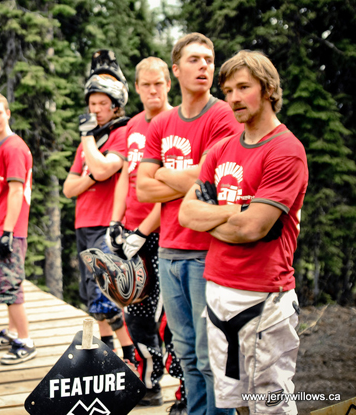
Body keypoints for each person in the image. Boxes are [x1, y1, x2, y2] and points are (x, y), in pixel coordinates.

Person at [179, 50, 307, 415]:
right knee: (236, 403)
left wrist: (222, 219)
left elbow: (254, 227)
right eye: (228, 90)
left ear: (267, 89)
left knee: (270, 402)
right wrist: (234, 215)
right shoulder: (220, 150)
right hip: (217, 290)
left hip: (264, 298)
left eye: (244, 87)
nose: (233, 98)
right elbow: (187, 213)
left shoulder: (286, 150)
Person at [136, 33, 242, 415]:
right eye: (195, 59)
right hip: (169, 251)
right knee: (185, 352)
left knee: (210, 354)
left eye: (210, 60)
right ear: (176, 70)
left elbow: (211, 181)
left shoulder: (223, 116)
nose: (205, 66)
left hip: (207, 254)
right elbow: (143, 190)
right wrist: (185, 179)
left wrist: (164, 174)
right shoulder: (162, 123)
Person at [107, 56, 187, 411]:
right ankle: (147, 382)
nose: (153, 90)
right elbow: (127, 174)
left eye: (159, 83)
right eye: (146, 85)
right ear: (136, 88)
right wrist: (116, 222)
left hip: (165, 229)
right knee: (135, 311)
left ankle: (185, 388)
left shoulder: (177, 122)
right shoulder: (133, 125)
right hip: (131, 231)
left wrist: (141, 231)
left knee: (172, 316)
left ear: (168, 84)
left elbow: (171, 189)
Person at [62, 49, 137, 365]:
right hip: (84, 222)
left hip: (107, 224)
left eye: (101, 105)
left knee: (109, 296)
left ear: (116, 105)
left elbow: (106, 169)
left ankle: (132, 355)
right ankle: (110, 355)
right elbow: (69, 188)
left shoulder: (120, 133)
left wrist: (90, 146)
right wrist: (93, 170)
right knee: (92, 297)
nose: (94, 111)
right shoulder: (88, 142)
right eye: (91, 104)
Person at [0, 92, 36, 365]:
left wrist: (9, 231)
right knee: (2, 284)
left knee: (12, 286)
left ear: (8, 113)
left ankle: (25, 340)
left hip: (8, 229)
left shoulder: (14, 147)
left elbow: (15, 192)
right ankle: (12, 332)